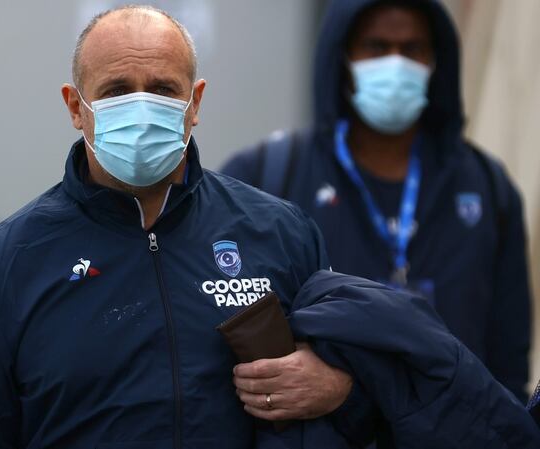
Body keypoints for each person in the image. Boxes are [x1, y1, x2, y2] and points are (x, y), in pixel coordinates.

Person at [0, 5, 540, 449]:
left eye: (164, 88)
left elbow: (346, 409)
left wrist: (339, 391)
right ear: (74, 105)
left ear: (195, 101)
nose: (142, 106)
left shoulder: (278, 232)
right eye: (116, 89)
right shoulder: (1, 265)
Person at [221, 0, 532, 401]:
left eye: (413, 49)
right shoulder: (266, 176)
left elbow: (508, 362)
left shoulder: (487, 186)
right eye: (376, 46)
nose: (395, 63)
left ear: (437, 60)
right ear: (343, 55)